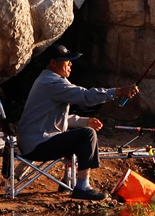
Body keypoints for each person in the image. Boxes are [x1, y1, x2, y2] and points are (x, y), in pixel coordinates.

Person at [17, 43, 139, 200]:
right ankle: (82, 187)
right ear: (53, 62)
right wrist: (118, 92)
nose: (70, 63)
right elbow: (86, 97)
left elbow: (55, 119)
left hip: (34, 142)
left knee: (79, 133)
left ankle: (67, 181)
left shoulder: (46, 80)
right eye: (66, 60)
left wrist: (84, 121)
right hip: (37, 145)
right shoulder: (53, 82)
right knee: (87, 136)